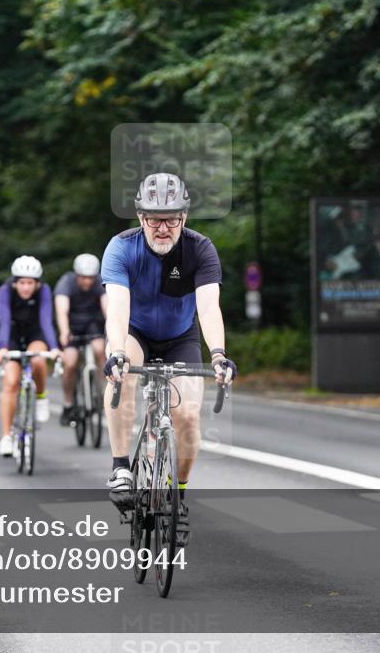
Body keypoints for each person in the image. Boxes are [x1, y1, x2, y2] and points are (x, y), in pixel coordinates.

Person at [101, 172, 237, 547]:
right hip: (136, 332)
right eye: (154, 219)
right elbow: (117, 308)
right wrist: (115, 353)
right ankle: (120, 468)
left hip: (181, 337)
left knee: (188, 415)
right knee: (122, 372)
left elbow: (209, 308)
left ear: (185, 217)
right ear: (140, 218)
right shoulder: (122, 247)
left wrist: (220, 355)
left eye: (172, 218)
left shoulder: (200, 249)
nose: (163, 228)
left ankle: (178, 495)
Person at [0, 256, 60, 457]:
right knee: (11, 383)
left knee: (38, 359)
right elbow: (4, 321)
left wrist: (55, 347)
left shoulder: (44, 292)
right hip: (13, 335)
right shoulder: (5, 291)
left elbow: (46, 321)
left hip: (35, 333)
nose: (25, 287)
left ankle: (41, 396)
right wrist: (2, 347)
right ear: (15, 282)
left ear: (37, 283)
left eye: (30, 283)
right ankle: (6, 436)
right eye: (22, 282)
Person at [54, 253, 108, 426]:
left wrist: (111, 330)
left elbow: (107, 307)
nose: (87, 282)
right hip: (72, 325)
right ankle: (68, 402)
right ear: (77, 275)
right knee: (70, 363)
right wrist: (64, 331)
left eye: (90, 278)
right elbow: (62, 310)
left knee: (100, 350)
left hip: (93, 324)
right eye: (83, 278)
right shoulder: (66, 282)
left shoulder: (100, 282)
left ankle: (101, 391)